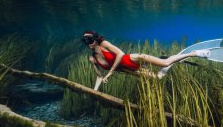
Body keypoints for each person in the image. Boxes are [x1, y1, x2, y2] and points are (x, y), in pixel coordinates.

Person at [81, 30, 210, 91]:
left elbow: (120, 54)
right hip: (130, 69)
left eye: (90, 39)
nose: (88, 43)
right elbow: (99, 76)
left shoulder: (104, 44)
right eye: (85, 41)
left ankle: (194, 53)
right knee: (158, 77)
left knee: (165, 63)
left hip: (134, 59)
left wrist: (109, 74)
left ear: (96, 38)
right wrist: (95, 90)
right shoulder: (92, 58)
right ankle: (175, 59)